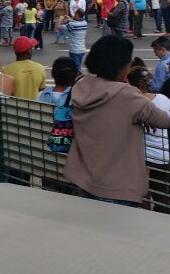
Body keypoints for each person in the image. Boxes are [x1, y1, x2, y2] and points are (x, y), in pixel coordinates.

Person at [64, 36, 170, 206]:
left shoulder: (81, 85)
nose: (130, 66)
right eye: (129, 62)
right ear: (119, 66)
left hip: (84, 179)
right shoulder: (126, 95)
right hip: (119, 186)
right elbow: (164, 120)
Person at [127, 67, 170, 212]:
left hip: (139, 157)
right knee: (162, 198)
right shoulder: (163, 99)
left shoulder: (130, 102)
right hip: (162, 155)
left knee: (141, 197)